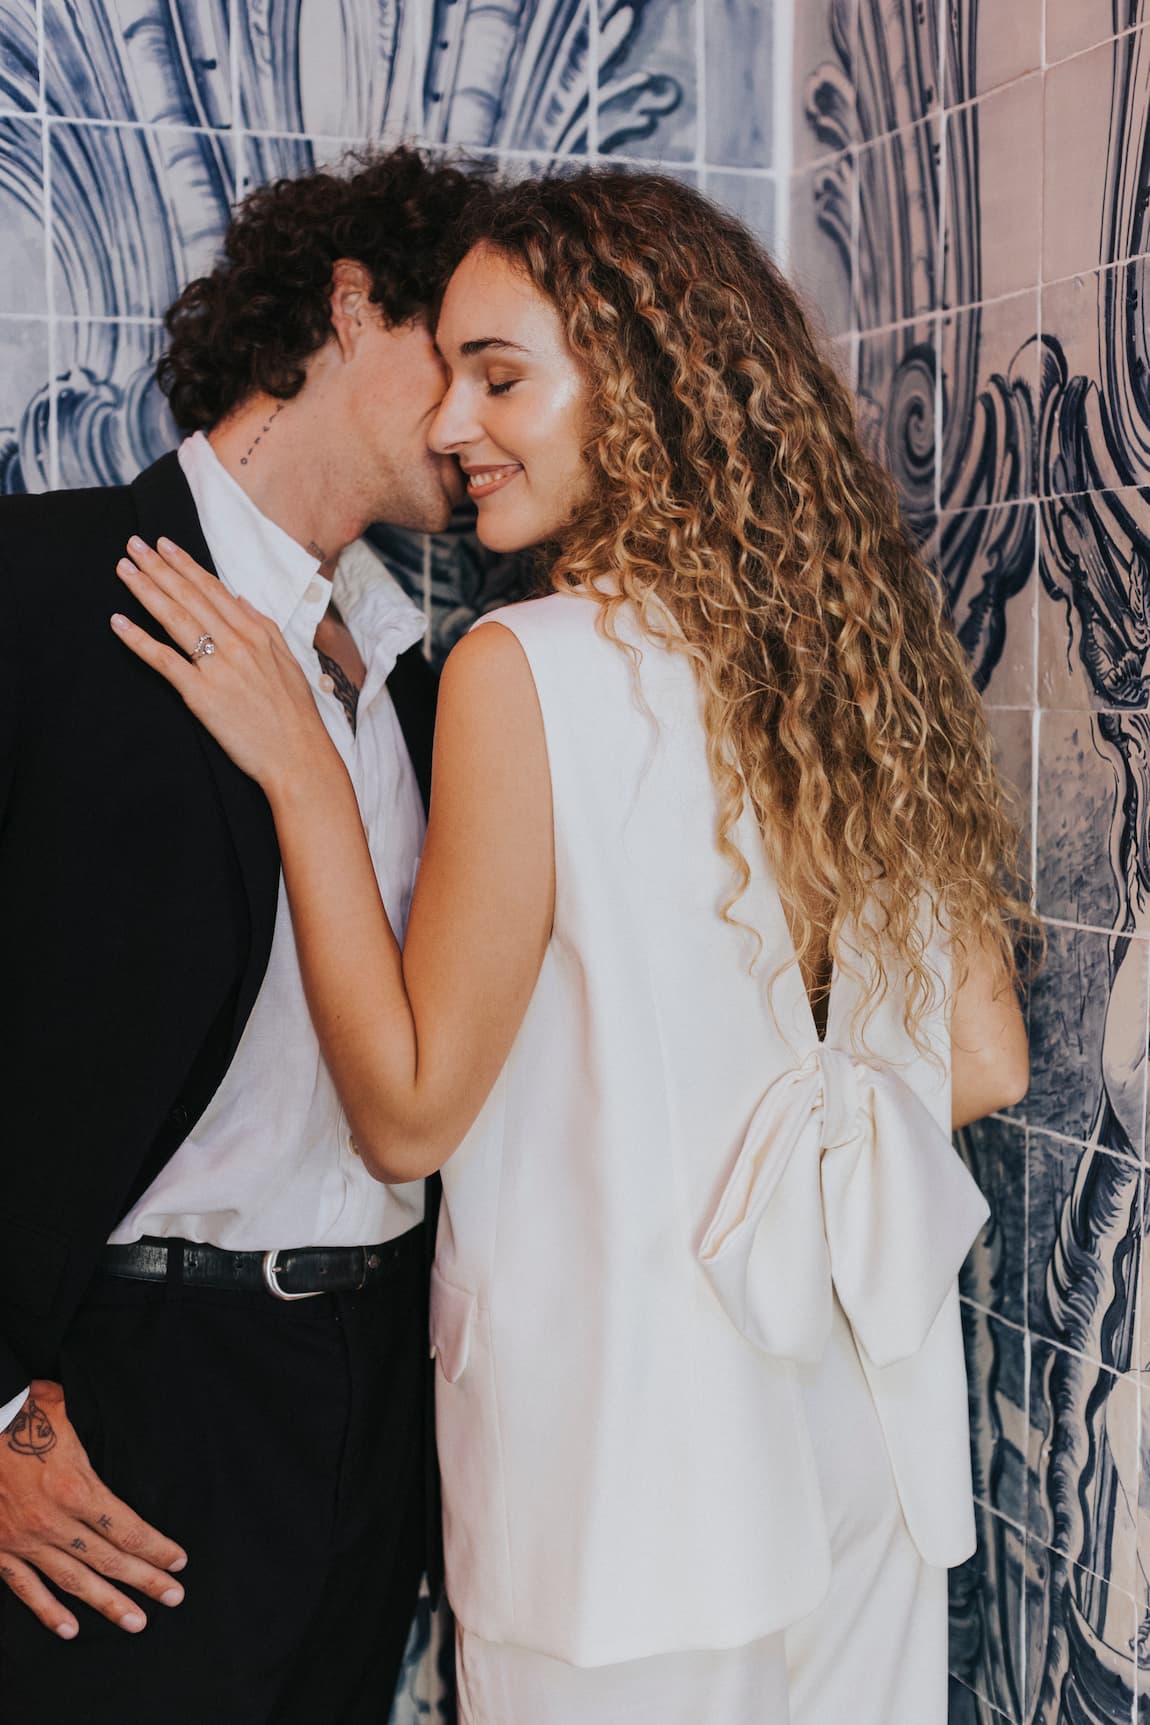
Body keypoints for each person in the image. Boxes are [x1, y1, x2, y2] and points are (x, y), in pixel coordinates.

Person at [111, 168, 1031, 1725]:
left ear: (644, 374)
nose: (454, 422)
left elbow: (407, 1112)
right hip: (857, 1440)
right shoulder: (851, 656)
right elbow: (979, 1055)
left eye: (501, 374)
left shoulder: (522, 668)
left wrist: (304, 773)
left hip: (621, 1481)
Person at [0, 146, 486, 1722]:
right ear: (348, 308)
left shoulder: (422, 677)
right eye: (460, 361)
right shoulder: (41, 589)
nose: (479, 422)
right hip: (120, 1403)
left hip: (374, 1409)